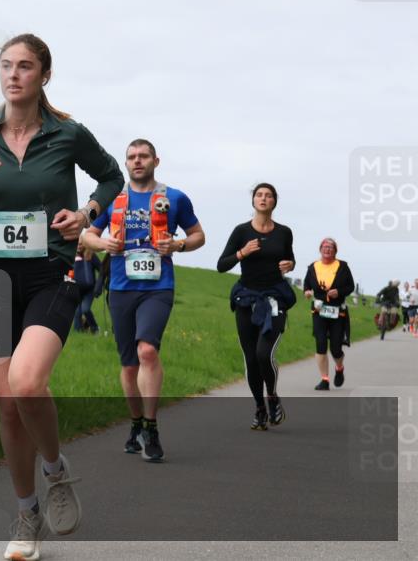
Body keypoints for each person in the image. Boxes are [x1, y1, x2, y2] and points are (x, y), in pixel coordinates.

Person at [0, 33, 123, 561]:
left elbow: (110, 177)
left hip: (52, 273)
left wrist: (87, 213)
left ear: (44, 75)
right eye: (5, 66)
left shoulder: (68, 134)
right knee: (8, 407)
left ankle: (55, 469)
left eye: (24, 66)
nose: (13, 74)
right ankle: (26, 514)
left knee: (27, 381)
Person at [82, 139, 205, 462]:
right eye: (132, 157)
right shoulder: (113, 199)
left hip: (158, 287)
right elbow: (86, 236)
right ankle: (135, 423)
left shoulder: (174, 198)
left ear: (156, 160)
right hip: (121, 288)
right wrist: (104, 243)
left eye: (143, 156)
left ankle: (151, 426)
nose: (137, 161)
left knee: (147, 350)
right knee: (128, 363)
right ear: (126, 163)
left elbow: (198, 236)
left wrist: (177, 246)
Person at [217, 183, 296, 431]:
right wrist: (242, 253)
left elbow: (289, 258)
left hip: (274, 298)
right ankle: (260, 408)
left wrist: (290, 265)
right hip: (246, 299)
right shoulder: (241, 231)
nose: (263, 199)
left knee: (264, 354)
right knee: (251, 360)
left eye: (268, 195)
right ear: (253, 201)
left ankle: (272, 397)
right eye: (259, 195)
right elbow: (221, 265)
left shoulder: (284, 232)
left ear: (274, 202)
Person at [303, 238, 355, 390]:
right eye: (325, 247)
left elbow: (350, 286)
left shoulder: (343, 267)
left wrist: (338, 291)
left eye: (331, 247)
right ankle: (324, 379)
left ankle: (339, 368)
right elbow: (307, 284)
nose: (328, 249)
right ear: (320, 249)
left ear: (335, 251)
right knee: (320, 344)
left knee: (336, 347)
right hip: (319, 310)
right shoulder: (313, 267)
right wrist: (307, 291)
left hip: (337, 311)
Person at [72, 239, 102, 333]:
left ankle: (95, 329)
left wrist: (99, 286)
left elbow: (101, 270)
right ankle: (79, 332)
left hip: (89, 290)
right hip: (76, 290)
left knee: (85, 309)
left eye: (81, 244)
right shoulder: (71, 256)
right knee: (77, 312)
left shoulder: (90, 255)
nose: (79, 246)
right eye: (77, 244)